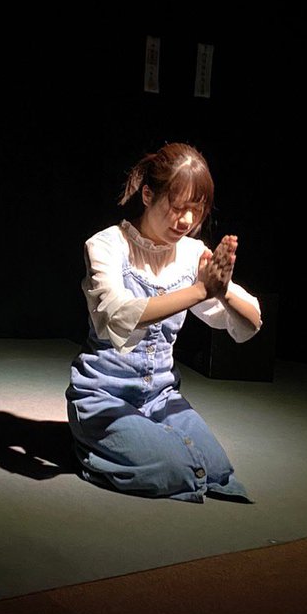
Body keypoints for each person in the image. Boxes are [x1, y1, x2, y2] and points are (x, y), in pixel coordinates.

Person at [66, 142, 262, 503]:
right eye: (176, 206)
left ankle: (144, 447)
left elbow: (250, 323)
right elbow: (116, 316)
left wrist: (222, 291)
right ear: (147, 195)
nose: (185, 221)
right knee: (178, 469)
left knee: (216, 471)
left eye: (196, 210)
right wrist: (200, 290)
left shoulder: (191, 253)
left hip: (161, 396)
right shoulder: (107, 246)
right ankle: (94, 450)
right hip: (103, 395)